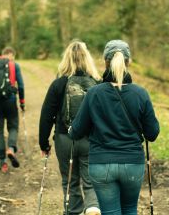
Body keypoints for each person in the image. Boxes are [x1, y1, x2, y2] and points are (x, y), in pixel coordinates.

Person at [69, 39, 160, 214]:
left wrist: (71, 130)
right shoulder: (140, 94)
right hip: (132, 163)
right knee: (130, 209)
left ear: (105, 61)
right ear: (129, 62)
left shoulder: (94, 93)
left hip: (102, 164)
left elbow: (77, 130)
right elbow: (153, 133)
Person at [39, 40, 101, 215]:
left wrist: (44, 144)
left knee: (70, 181)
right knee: (91, 181)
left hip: (65, 139)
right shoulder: (97, 83)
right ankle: (93, 207)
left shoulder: (59, 84)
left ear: (66, 59)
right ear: (87, 59)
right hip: (91, 140)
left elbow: (46, 117)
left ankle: (74, 211)